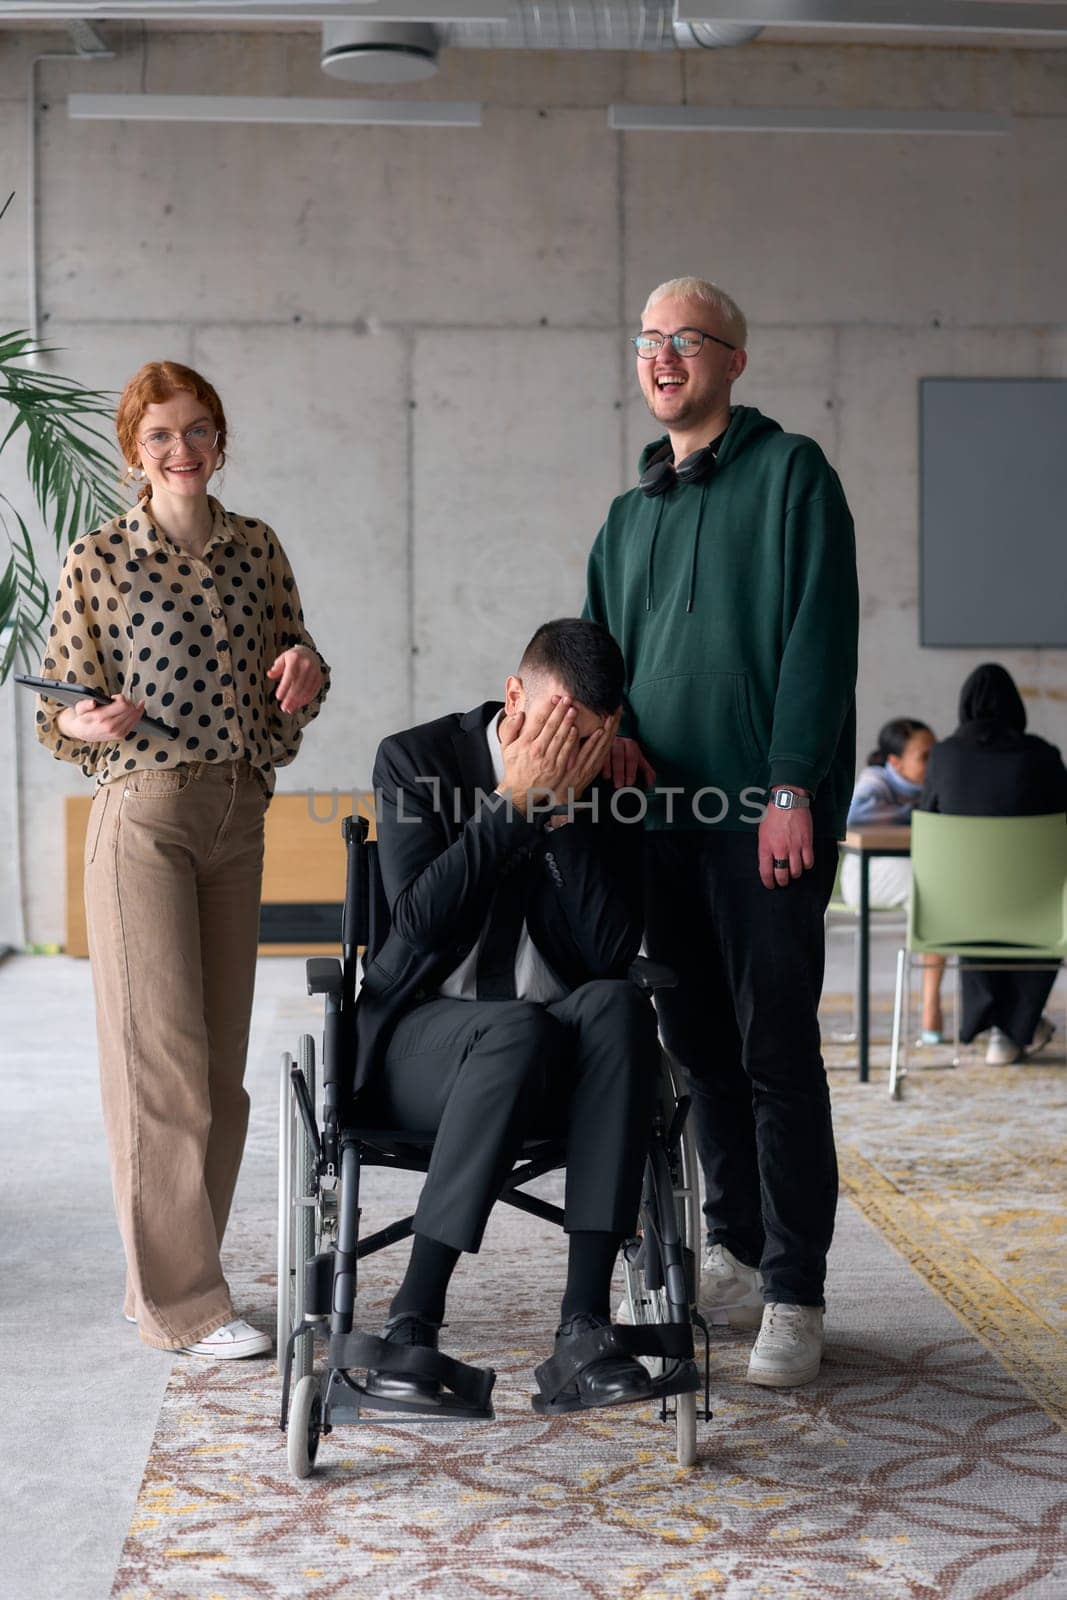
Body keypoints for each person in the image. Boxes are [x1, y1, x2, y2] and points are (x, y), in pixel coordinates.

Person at [584, 276, 858, 1388]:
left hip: (759, 823)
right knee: (697, 1052)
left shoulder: (792, 477)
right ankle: (740, 1246)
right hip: (657, 829)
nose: (660, 357)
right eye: (647, 340)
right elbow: (599, 664)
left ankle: (796, 1289)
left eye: (683, 340)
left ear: (732, 361)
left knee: (775, 1049)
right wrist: (602, 737)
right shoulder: (624, 515)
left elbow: (817, 639)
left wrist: (790, 786)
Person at [35, 360, 329, 1357]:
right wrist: (87, 717)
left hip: (238, 816)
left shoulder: (257, 549)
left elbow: (294, 669)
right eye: (159, 435)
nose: (182, 450)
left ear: (220, 437)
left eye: (197, 430)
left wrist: (305, 671)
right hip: (144, 819)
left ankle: (161, 1279)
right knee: (158, 1067)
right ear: (133, 451)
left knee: (220, 1074)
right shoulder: (100, 560)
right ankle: (187, 1303)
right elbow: (58, 716)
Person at [356, 618, 661, 1410]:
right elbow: (418, 922)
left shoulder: (603, 782)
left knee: (621, 1004)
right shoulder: (416, 759)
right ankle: (410, 1324)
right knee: (513, 1027)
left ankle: (584, 1328)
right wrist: (509, 806)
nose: (565, 750)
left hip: (553, 1050)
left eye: (584, 737)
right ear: (514, 695)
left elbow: (605, 950)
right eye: (552, 727)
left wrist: (563, 816)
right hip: (425, 1045)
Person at [920, 662, 1067, 1065]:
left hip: (959, 913)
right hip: (1038, 910)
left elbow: (927, 818)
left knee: (975, 899)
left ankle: (1001, 1026)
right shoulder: (1042, 755)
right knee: (1035, 906)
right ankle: (1015, 1026)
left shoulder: (944, 755)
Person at [842, 717, 946, 1044]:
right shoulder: (875, 781)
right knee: (934, 890)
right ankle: (931, 1005)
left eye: (937, 755)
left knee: (938, 888)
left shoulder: (939, 785)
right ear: (895, 762)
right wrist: (918, 815)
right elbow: (854, 818)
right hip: (866, 875)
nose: (934, 763)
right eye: (924, 756)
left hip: (915, 871)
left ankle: (931, 1001)